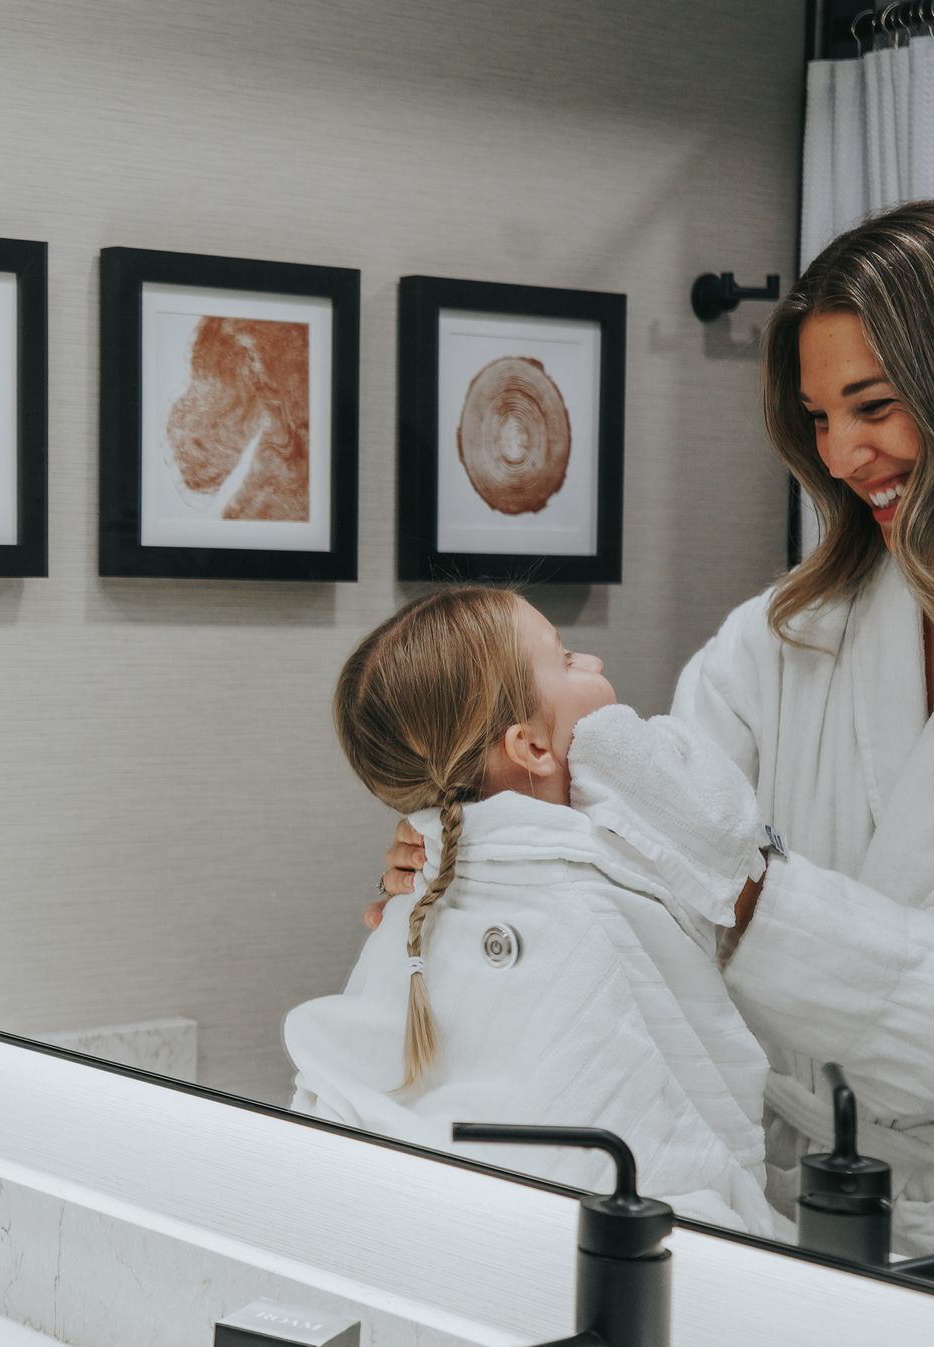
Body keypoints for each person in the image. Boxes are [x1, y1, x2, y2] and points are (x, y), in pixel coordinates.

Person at [371, 201, 934, 1251]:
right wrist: (479, 858)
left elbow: (708, 863)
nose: (844, 454)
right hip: (782, 1191)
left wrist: (755, 898)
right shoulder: (783, 634)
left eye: (874, 405)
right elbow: (637, 845)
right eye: (818, 418)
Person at [300, 588, 777, 1234]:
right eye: (569, 657)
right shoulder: (579, 895)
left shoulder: (432, 888)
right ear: (529, 746)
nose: (595, 662)